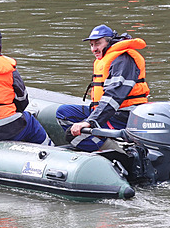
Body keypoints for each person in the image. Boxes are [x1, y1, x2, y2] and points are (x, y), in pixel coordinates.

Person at [56, 24, 150, 152]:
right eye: (91, 45)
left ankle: (118, 153)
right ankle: (106, 147)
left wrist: (91, 121)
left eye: (98, 44)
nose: (94, 49)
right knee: (64, 113)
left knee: (73, 133)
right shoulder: (108, 58)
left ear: (109, 42)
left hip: (123, 116)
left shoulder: (123, 59)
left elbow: (114, 96)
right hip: (109, 113)